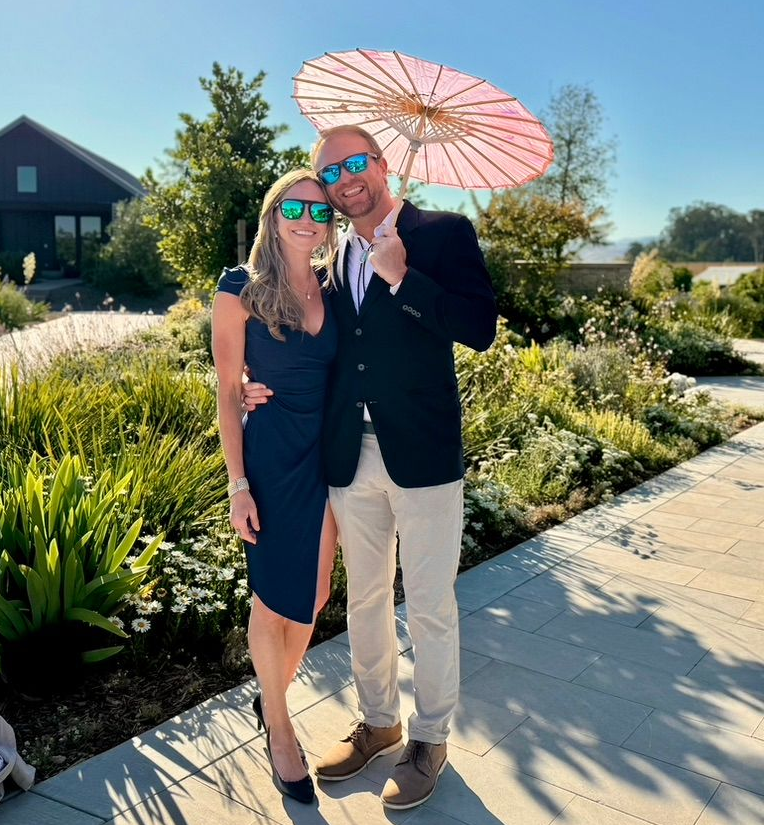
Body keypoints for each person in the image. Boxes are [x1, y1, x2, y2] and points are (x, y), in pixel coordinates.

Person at [243, 126, 498, 810]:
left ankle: (430, 737)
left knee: (433, 604)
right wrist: (247, 382)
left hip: (422, 453)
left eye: (358, 162)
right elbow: (306, 344)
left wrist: (404, 277)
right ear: (325, 190)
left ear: (382, 166)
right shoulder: (328, 260)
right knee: (366, 598)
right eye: (332, 172)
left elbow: (480, 327)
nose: (346, 177)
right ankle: (380, 721)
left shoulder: (442, 233)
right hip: (348, 458)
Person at [211, 168, 339, 805]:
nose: (307, 219)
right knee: (272, 598)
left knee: (313, 594)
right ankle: (281, 731)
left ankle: (269, 697)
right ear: (273, 211)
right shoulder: (239, 289)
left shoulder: (337, 284)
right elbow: (228, 391)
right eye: (296, 205)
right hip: (271, 459)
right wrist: (238, 485)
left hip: (330, 457)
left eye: (320, 211)